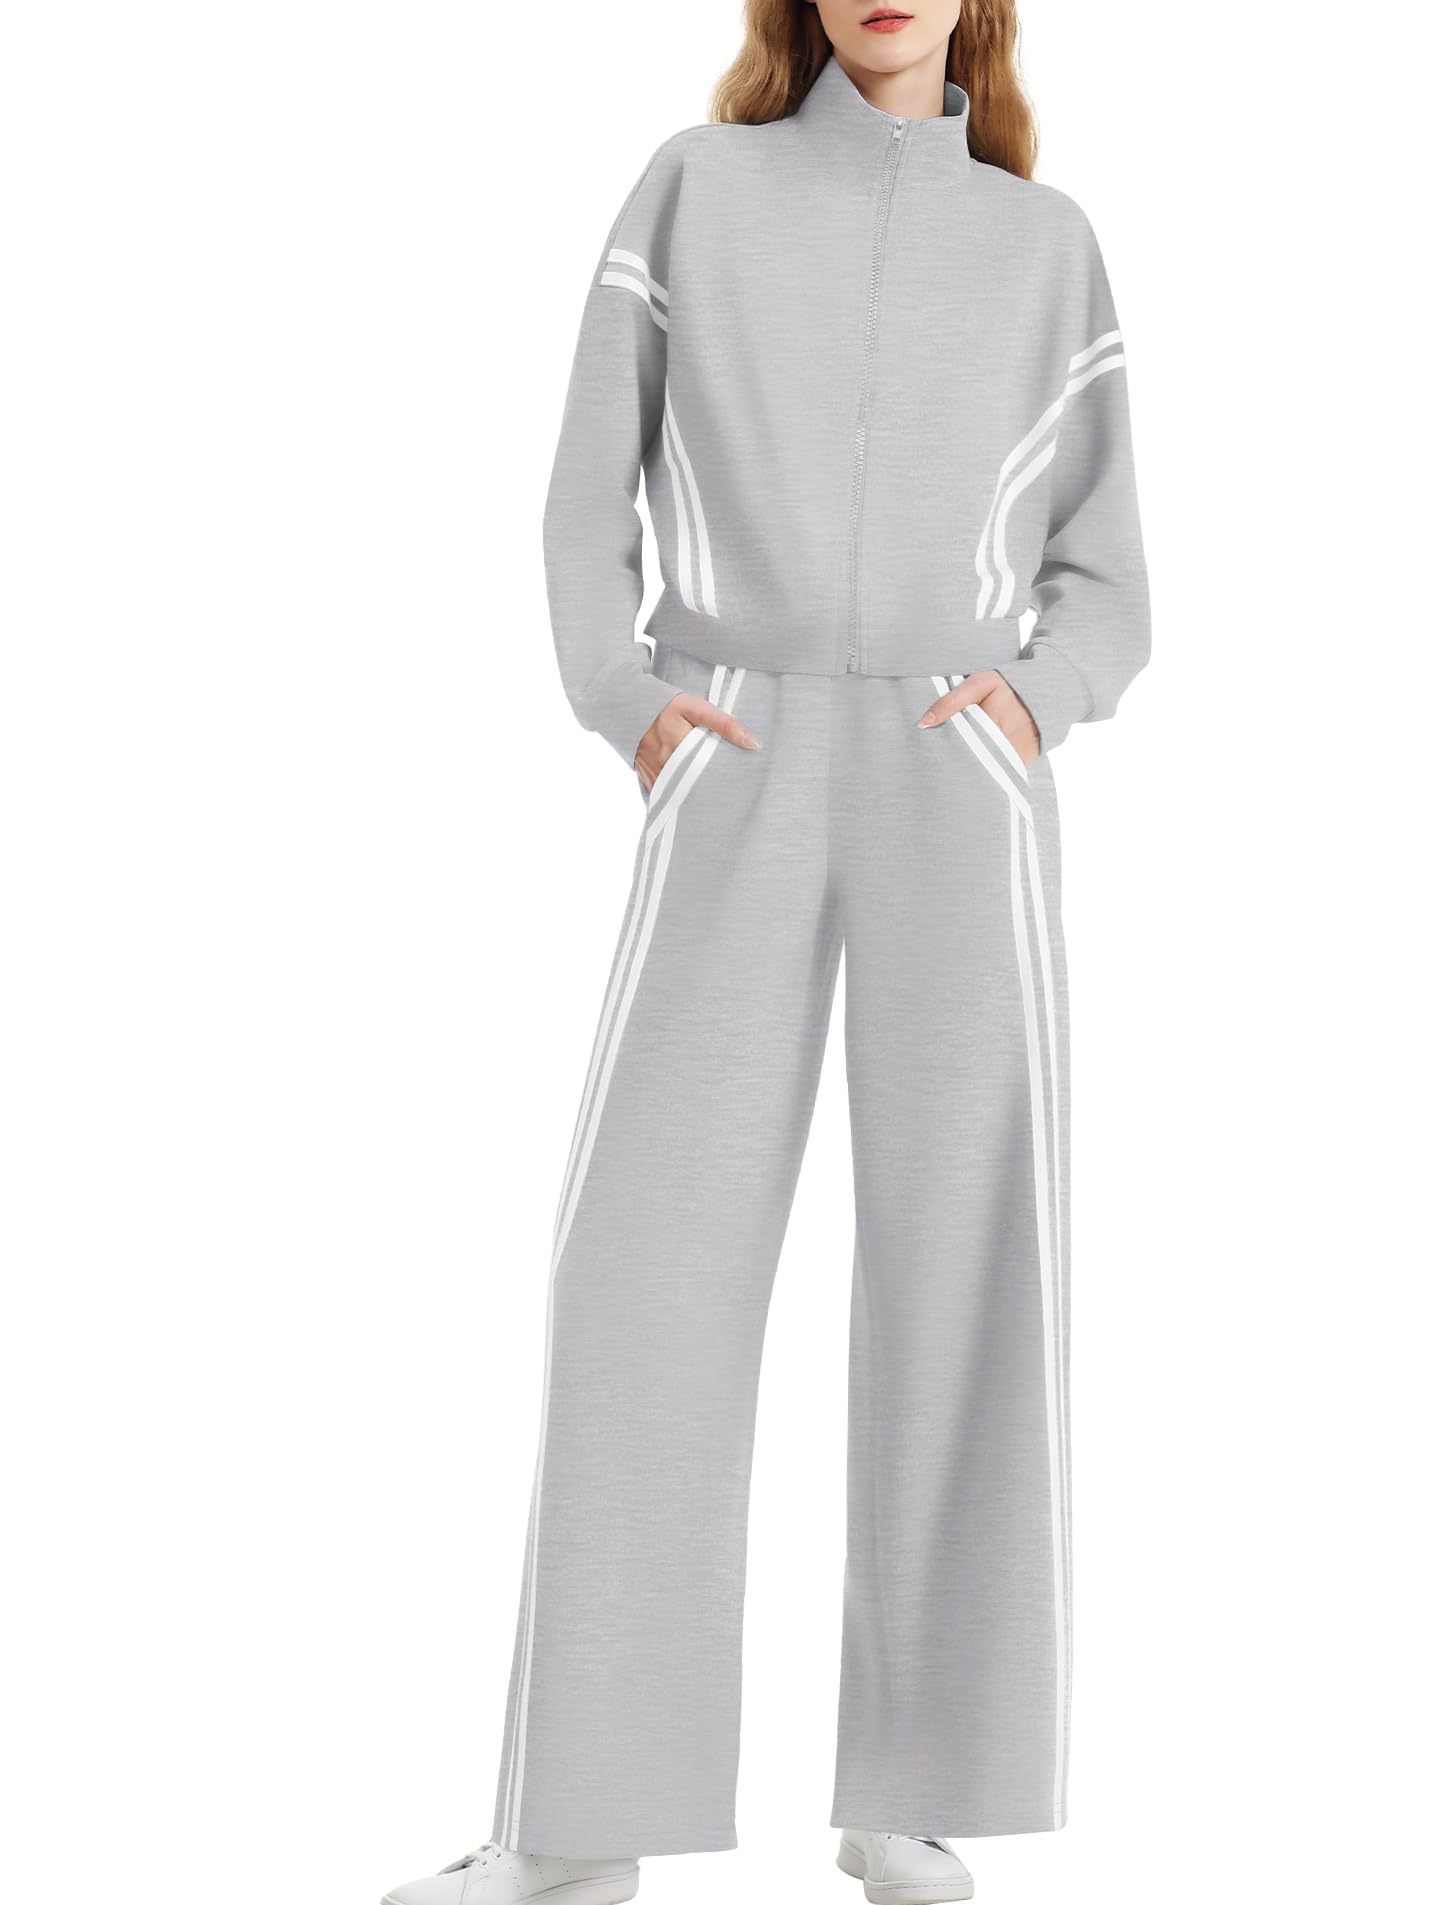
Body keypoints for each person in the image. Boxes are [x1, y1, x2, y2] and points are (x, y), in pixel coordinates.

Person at [382, 2, 1148, 1900]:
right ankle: (579, 1825)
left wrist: (1040, 699)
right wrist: (626, 696)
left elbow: (1110, 572)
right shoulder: (694, 191)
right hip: (731, 748)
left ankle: (912, 1789)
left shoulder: (1044, 245)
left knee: (971, 1263)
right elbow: (588, 489)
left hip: (956, 769)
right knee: (641, 1268)